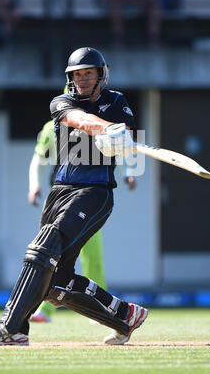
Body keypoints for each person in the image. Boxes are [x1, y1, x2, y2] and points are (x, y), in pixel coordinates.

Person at [0, 47, 148, 346]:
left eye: (87, 73)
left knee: (44, 246)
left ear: (100, 75)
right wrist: (109, 129)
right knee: (56, 284)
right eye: (76, 74)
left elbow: (129, 138)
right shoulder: (62, 102)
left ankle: (12, 329)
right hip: (60, 192)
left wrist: (125, 139)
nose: (81, 79)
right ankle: (123, 315)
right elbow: (80, 121)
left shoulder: (116, 101)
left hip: (95, 192)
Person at [28, 113, 136, 323]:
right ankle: (45, 309)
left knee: (92, 256)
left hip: (87, 198)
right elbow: (38, 159)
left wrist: (129, 172)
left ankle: (100, 308)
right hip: (57, 198)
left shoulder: (95, 126)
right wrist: (34, 185)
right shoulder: (51, 128)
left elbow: (120, 148)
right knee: (48, 252)